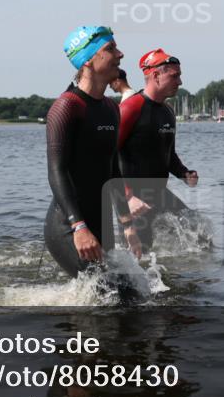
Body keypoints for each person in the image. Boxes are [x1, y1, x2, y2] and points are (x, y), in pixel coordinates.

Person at [45, 25, 141, 280]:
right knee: (112, 297)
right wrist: (79, 227)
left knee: (130, 296)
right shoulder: (66, 107)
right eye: (110, 48)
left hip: (99, 225)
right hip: (69, 227)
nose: (120, 54)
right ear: (87, 60)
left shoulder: (110, 108)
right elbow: (57, 171)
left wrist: (128, 225)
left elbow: (112, 170)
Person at [118, 48, 198, 251]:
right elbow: (106, 155)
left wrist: (183, 173)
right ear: (155, 75)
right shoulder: (131, 107)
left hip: (159, 193)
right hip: (133, 196)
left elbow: (168, 153)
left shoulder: (168, 111)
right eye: (174, 76)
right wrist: (127, 196)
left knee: (199, 232)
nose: (180, 82)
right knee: (138, 256)